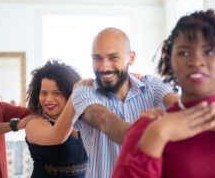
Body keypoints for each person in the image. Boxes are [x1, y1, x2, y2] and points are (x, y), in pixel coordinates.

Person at [113, 9, 215, 178]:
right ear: (170, 61)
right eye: (183, 53)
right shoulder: (150, 127)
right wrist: (158, 135)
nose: (196, 62)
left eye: (209, 51)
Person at [71, 27, 178, 177]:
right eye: (97, 58)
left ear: (131, 58)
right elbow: (105, 121)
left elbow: (182, 106)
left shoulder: (151, 86)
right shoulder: (83, 91)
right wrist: (156, 133)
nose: (104, 67)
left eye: (113, 58)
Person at [25, 59, 88, 178]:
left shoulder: (83, 122)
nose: (48, 99)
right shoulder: (34, 124)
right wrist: (78, 94)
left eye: (56, 93)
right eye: (43, 93)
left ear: (68, 93)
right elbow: (57, 136)